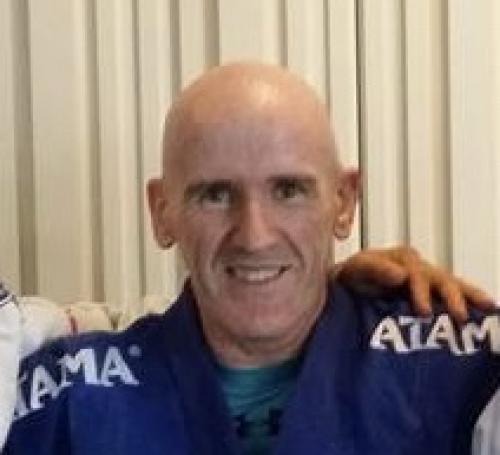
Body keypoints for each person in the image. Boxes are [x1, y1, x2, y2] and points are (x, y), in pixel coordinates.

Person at [2, 62, 499, 454]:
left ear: (344, 201)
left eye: (289, 190)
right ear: (162, 212)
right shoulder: (63, 395)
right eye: (215, 195)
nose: (255, 237)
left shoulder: (467, 370)